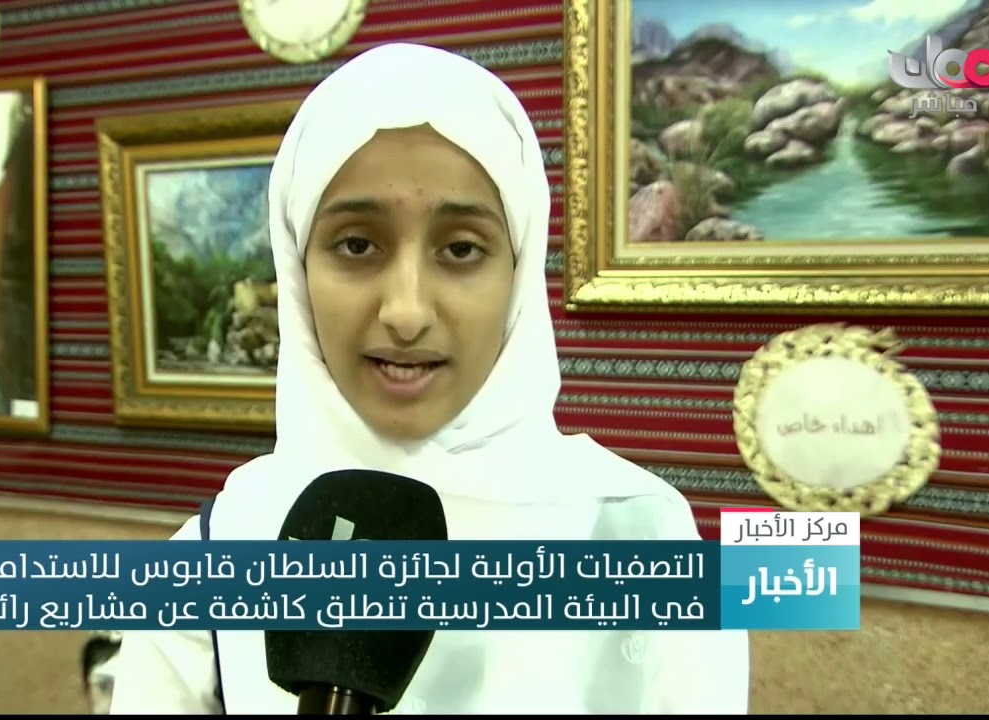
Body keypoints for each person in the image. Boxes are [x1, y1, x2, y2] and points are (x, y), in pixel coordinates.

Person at [108, 42, 751, 715]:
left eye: (461, 249)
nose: (407, 312)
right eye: (357, 245)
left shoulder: (645, 537)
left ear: (518, 272)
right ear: (297, 269)